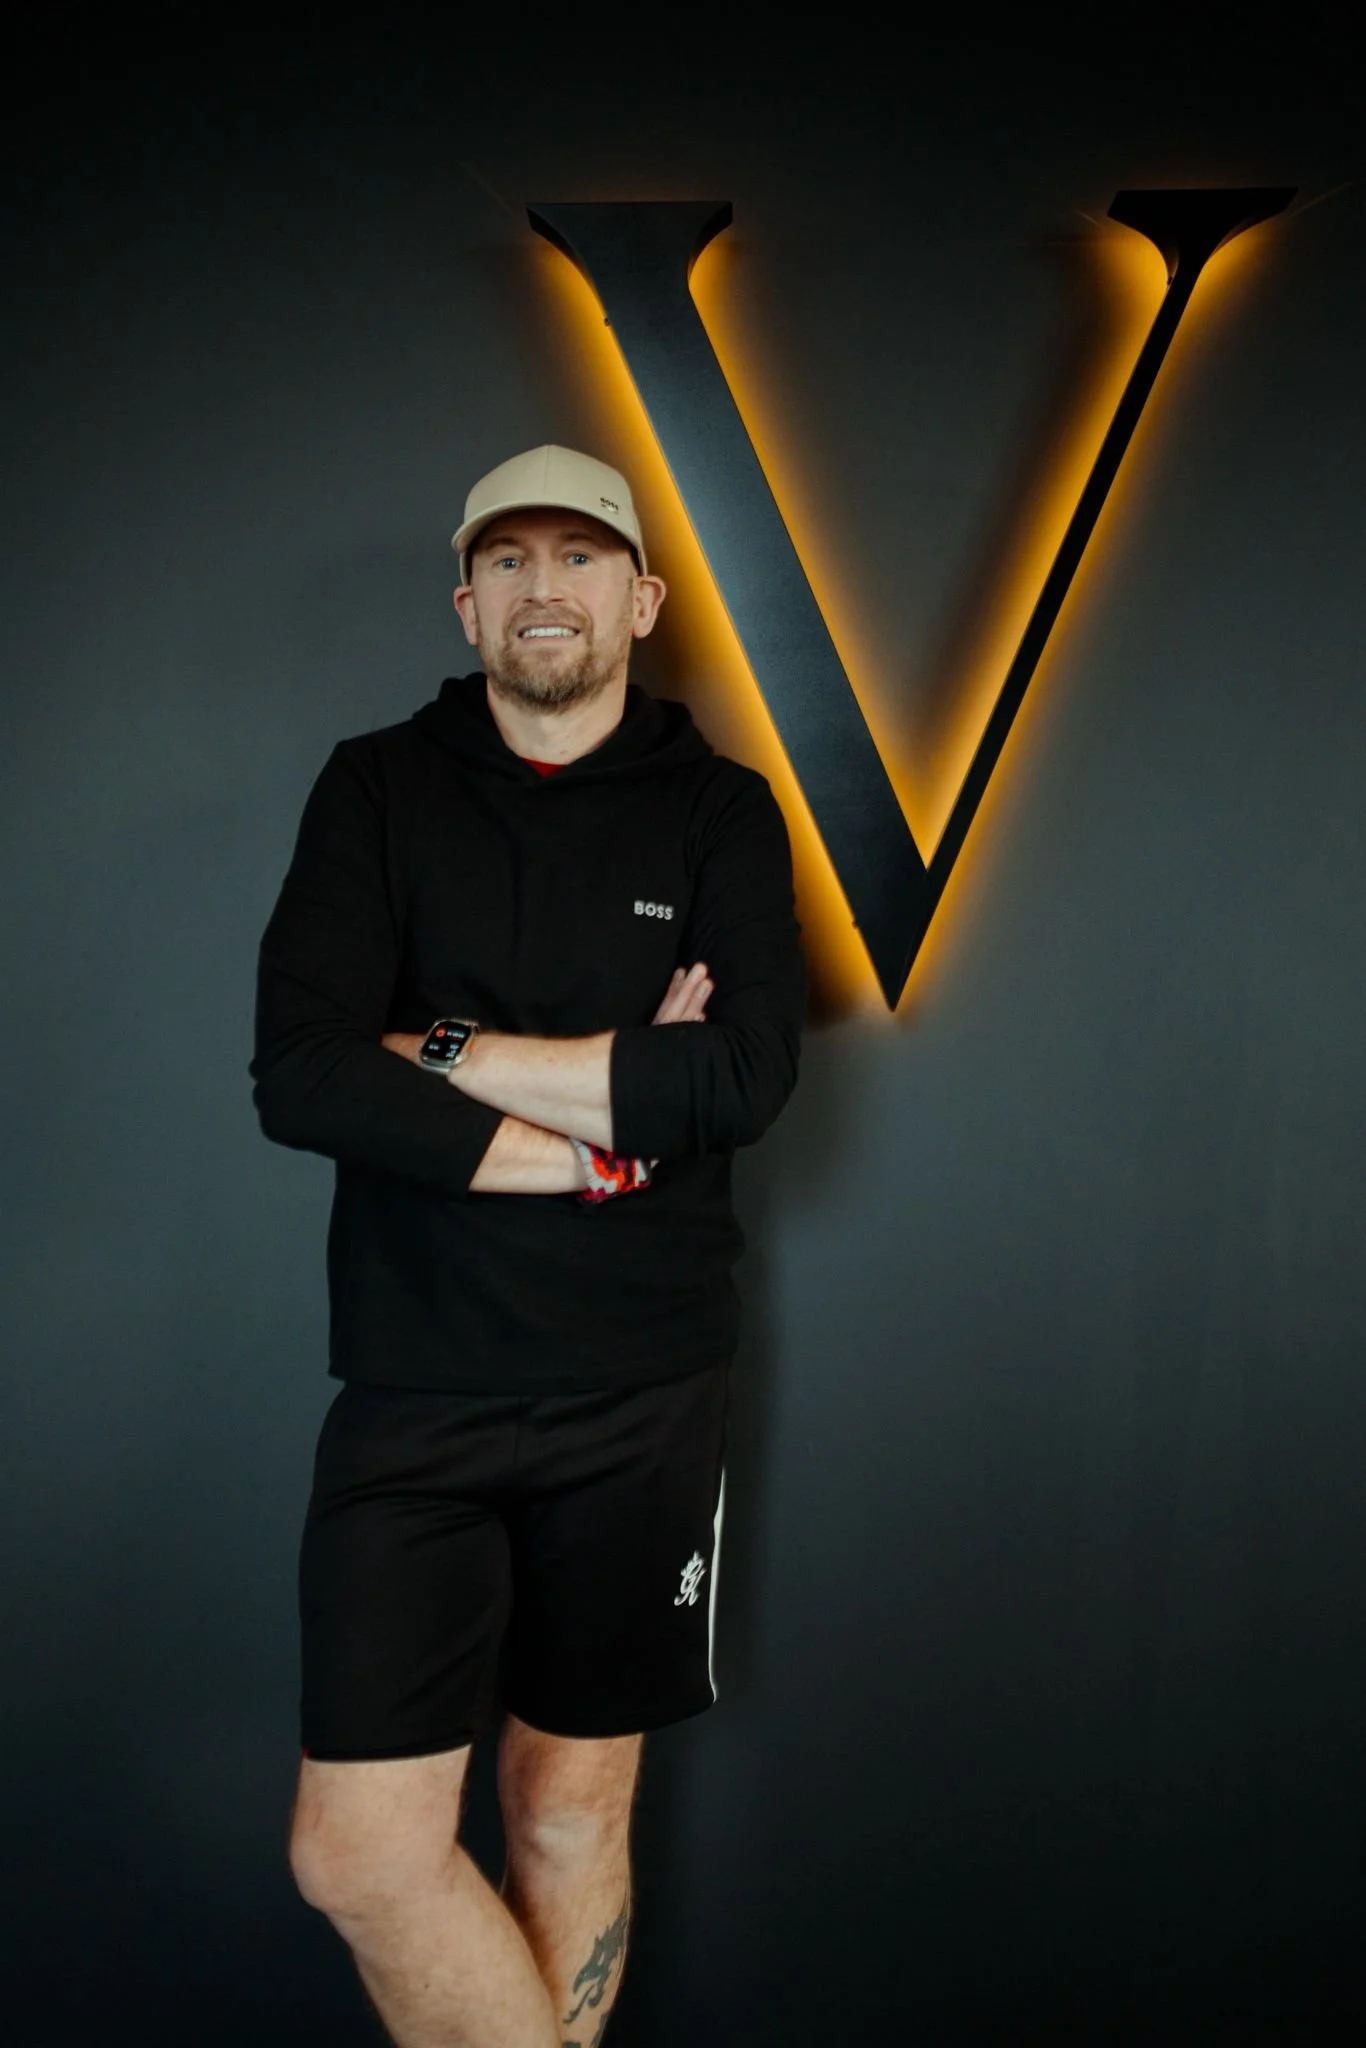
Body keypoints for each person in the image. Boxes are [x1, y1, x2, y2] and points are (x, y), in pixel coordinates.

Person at [251, 443, 806, 2047]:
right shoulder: (376, 786)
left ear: (639, 599)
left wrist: (430, 1044)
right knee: (360, 1854)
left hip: (642, 1392)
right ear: (466, 602)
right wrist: (599, 1143)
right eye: (508, 559)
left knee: (565, 1813)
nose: (541, 587)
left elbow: (739, 1080)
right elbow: (301, 1074)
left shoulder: (718, 809)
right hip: (417, 1387)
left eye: (578, 557)